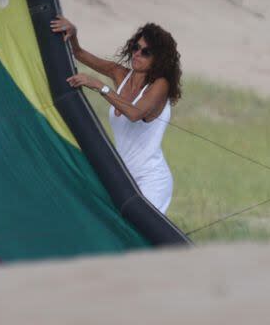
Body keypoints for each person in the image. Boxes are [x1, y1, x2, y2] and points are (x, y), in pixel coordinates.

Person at [50, 15, 182, 214]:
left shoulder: (160, 85)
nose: (137, 54)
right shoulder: (120, 73)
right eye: (135, 48)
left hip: (151, 179)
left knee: (142, 237)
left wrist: (100, 86)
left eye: (146, 52)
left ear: (158, 58)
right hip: (123, 177)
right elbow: (78, 53)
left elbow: (135, 113)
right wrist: (74, 33)